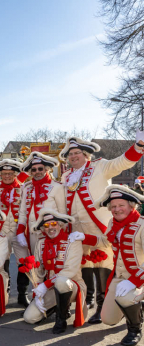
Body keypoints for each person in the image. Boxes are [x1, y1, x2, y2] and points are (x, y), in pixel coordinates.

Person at [60, 135, 144, 324]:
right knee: (84, 266)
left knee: (103, 267)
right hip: (77, 230)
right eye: (70, 154)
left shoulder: (99, 166)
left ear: (86, 154)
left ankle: (102, 304)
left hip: (101, 229)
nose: (73, 156)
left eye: (77, 152)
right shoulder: (66, 176)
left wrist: (138, 146)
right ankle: (88, 299)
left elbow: (121, 162)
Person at [82, 185, 144, 346]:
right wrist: (83, 237)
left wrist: (134, 281)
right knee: (108, 319)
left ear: (131, 205)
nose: (117, 209)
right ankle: (132, 307)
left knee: (126, 297)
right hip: (119, 277)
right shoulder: (113, 223)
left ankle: (135, 329)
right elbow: (105, 242)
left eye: (121, 205)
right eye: (113, 206)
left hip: (139, 279)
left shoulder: (142, 225)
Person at [23, 210, 87, 334]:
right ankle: (55, 306)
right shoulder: (41, 243)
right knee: (29, 318)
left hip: (72, 285)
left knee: (61, 281)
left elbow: (70, 270)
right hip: (50, 288)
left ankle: (61, 319)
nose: (50, 228)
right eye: (46, 226)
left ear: (60, 225)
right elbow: (37, 269)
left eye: (53, 224)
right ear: (43, 229)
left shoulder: (73, 241)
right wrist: (38, 293)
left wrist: (45, 285)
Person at [0, 159, 30, 307]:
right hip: (1, 230)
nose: (7, 176)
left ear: (15, 174)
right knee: (2, 260)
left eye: (10, 173)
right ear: (0, 175)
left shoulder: (23, 188)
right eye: (4, 173)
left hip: (18, 230)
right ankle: (4, 290)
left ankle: (22, 294)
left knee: (24, 261)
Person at [17, 152, 66, 255]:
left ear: (46, 169)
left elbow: (63, 213)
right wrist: (20, 232)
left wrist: (63, 234)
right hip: (33, 233)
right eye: (34, 170)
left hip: (52, 231)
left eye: (40, 169)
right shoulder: (27, 188)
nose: (37, 172)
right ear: (30, 172)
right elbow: (22, 212)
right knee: (35, 261)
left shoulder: (57, 187)